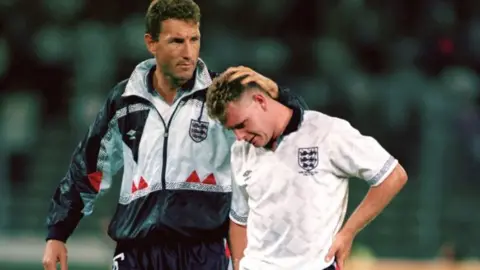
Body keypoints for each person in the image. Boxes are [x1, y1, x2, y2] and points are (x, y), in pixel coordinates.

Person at [41, 1, 307, 270]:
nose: (188, 52)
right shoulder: (124, 102)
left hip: (205, 254)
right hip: (136, 254)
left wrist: (276, 94)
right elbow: (86, 170)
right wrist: (57, 233)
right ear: (151, 43)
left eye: (194, 39)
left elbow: (292, 127)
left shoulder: (222, 97)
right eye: (177, 41)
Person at [205, 71, 408, 270]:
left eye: (242, 124)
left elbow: (393, 175)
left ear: (260, 100)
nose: (239, 136)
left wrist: (348, 233)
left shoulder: (326, 131)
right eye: (232, 129)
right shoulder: (240, 151)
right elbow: (240, 219)